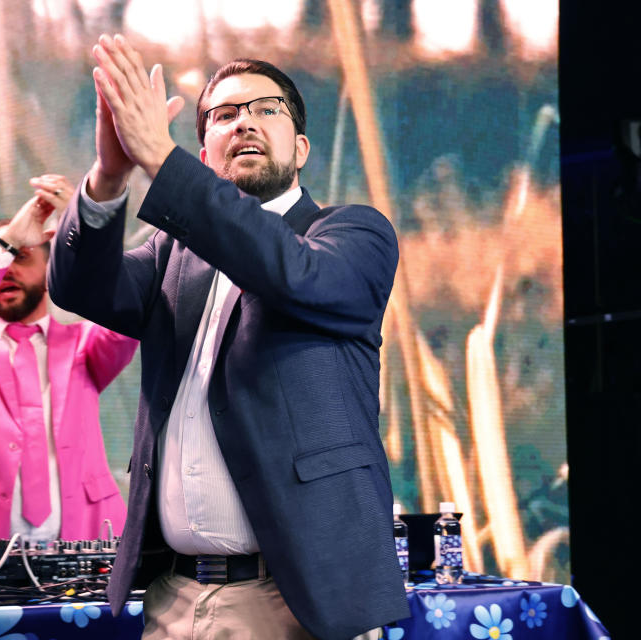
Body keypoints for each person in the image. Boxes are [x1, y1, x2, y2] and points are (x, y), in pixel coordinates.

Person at [43, 34, 409, 639]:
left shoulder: (353, 235)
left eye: (267, 109)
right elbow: (81, 286)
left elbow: (286, 272)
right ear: (206, 153)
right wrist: (111, 175)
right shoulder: (173, 252)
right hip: (175, 598)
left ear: (302, 147)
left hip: (295, 601)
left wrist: (162, 161)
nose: (246, 123)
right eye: (224, 114)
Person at [0, 176, 138, 547]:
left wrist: (91, 232)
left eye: (21, 257)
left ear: (50, 268)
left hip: (87, 544)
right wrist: (6, 243)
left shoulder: (85, 343)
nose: (6, 269)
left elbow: (125, 312)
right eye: (1, 258)